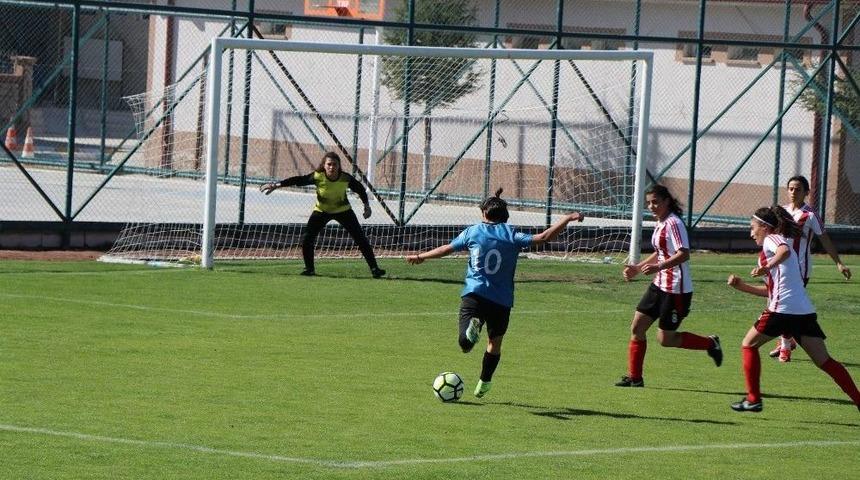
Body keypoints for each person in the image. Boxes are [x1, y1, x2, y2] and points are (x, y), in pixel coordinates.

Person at [406, 188, 583, 399]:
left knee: (465, 345)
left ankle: (474, 325)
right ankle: (485, 381)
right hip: (501, 301)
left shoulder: (473, 232)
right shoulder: (512, 235)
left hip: (475, 293)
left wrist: (421, 256)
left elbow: (447, 248)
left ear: (484, 214)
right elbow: (544, 237)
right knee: (494, 344)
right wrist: (568, 218)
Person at [726, 205, 860, 413]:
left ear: (764, 226)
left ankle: (753, 399)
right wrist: (741, 286)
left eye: (753, 227)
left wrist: (767, 266)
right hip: (802, 310)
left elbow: (784, 251)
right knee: (824, 361)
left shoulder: (773, 239)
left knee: (748, 345)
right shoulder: (772, 249)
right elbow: (771, 290)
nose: (751, 233)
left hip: (782, 309)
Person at [616, 184, 722, 388]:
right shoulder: (660, 223)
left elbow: (683, 253)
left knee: (665, 339)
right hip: (659, 285)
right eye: (648, 203)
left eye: (655, 202)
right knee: (637, 327)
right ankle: (635, 378)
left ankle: (710, 343)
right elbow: (662, 251)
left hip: (676, 290)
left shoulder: (674, 223)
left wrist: (658, 267)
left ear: (666, 201)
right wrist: (638, 267)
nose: (651, 206)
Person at [260, 151, 385, 278]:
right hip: (321, 211)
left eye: (335, 164)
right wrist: (276, 185)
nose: (332, 167)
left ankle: (375, 269)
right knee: (307, 239)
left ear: (339, 166)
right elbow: (299, 180)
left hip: (344, 211)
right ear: (324, 166)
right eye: (329, 164)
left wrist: (366, 206)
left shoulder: (345, 178)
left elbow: (360, 189)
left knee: (361, 239)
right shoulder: (318, 177)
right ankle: (309, 269)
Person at [769, 175, 852, 362]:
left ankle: (785, 346)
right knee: (781, 304)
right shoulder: (780, 211)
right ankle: (787, 341)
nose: (793, 192)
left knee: (785, 305)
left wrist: (838, 262)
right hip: (780, 268)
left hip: (800, 269)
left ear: (806, 192)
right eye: (790, 188)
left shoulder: (810, 215)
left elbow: (824, 238)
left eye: (798, 189)